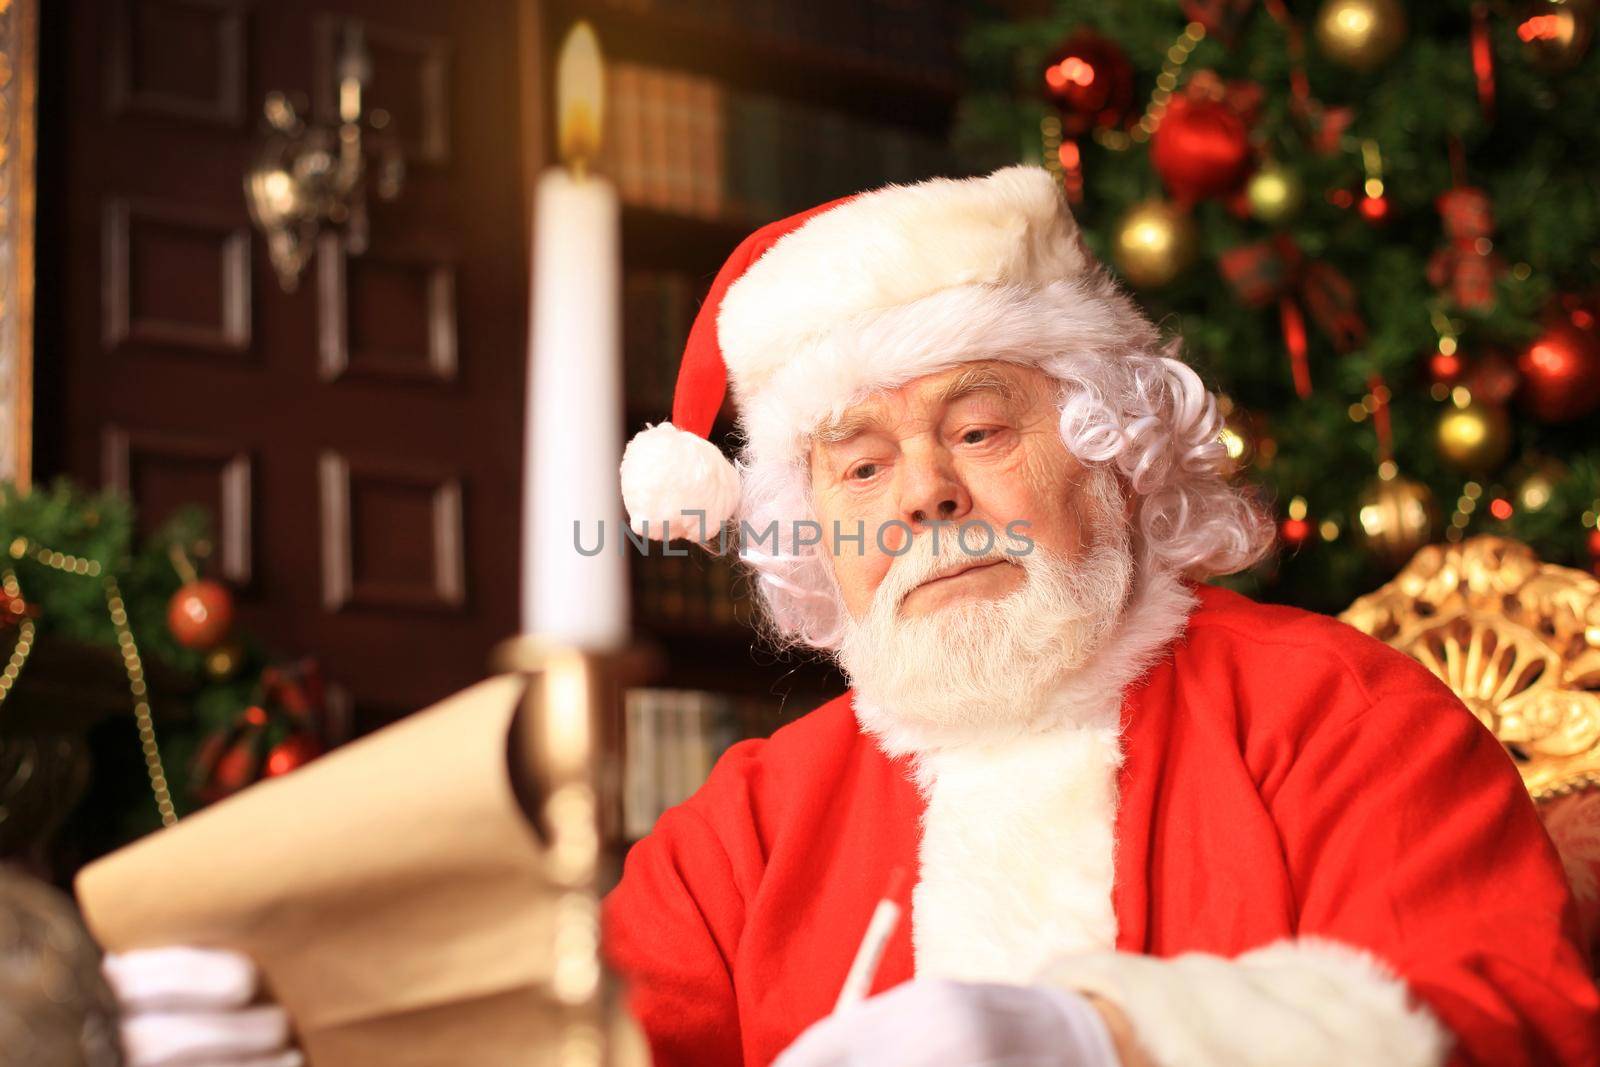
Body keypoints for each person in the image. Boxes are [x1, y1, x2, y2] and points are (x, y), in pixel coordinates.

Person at [100, 165, 1600, 1066]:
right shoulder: (746, 825)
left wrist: (1115, 1041)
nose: (926, 496)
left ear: (1116, 449)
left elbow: (1519, 1021)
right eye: (861, 462)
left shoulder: (1338, 713)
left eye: (983, 427)